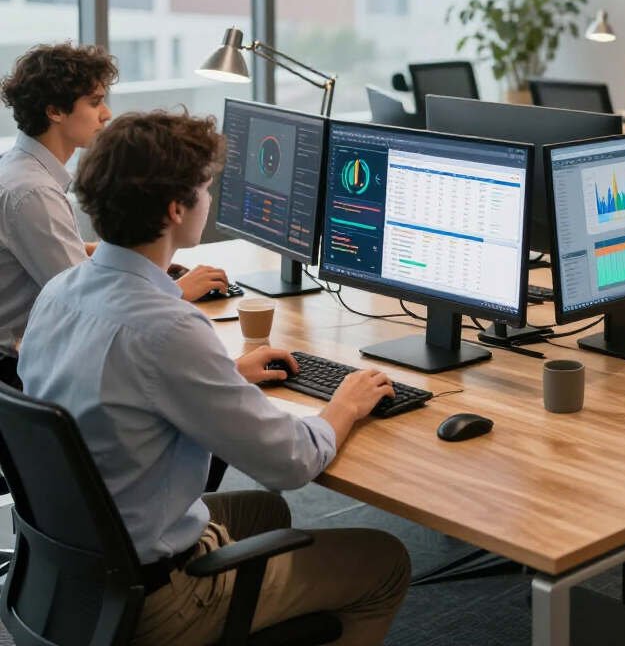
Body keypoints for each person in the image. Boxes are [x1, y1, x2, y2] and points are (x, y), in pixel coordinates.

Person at [18, 110, 411, 646]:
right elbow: (289, 461)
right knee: (384, 560)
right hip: (158, 600)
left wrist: (225, 375)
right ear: (176, 209)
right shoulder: (168, 329)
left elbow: (117, 389)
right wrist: (344, 402)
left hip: (77, 575)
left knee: (265, 512)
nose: (211, 198)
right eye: (206, 187)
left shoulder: (57, 293)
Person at [0, 43, 231, 386]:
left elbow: (61, 253)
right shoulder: (34, 193)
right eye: (94, 102)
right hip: (13, 370)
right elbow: (91, 303)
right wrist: (177, 290)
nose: (106, 114)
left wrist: (133, 261)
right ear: (55, 112)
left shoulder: (18, 168)